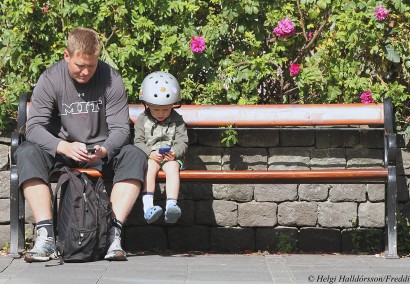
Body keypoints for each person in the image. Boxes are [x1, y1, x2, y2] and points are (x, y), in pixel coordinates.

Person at [14, 27, 147, 262]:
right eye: (79, 66)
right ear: (67, 55)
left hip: (101, 151)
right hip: (61, 151)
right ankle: (46, 238)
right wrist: (61, 146)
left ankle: (111, 237)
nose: (85, 71)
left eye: (91, 66)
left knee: (134, 155)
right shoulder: (50, 78)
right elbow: (34, 127)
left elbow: (121, 129)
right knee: (26, 152)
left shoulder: (112, 79)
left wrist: (105, 149)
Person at [134, 71, 188, 224]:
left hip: (170, 157)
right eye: (156, 109)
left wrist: (175, 153)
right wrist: (150, 153)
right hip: (152, 157)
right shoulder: (142, 119)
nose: (161, 113)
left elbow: (182, 141)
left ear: (173, 105)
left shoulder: (177, 119)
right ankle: (148, 207)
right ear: (147, 105)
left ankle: (171, 205)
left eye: (165, 109)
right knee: (149, 168)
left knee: (172, 168)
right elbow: (137, 141)